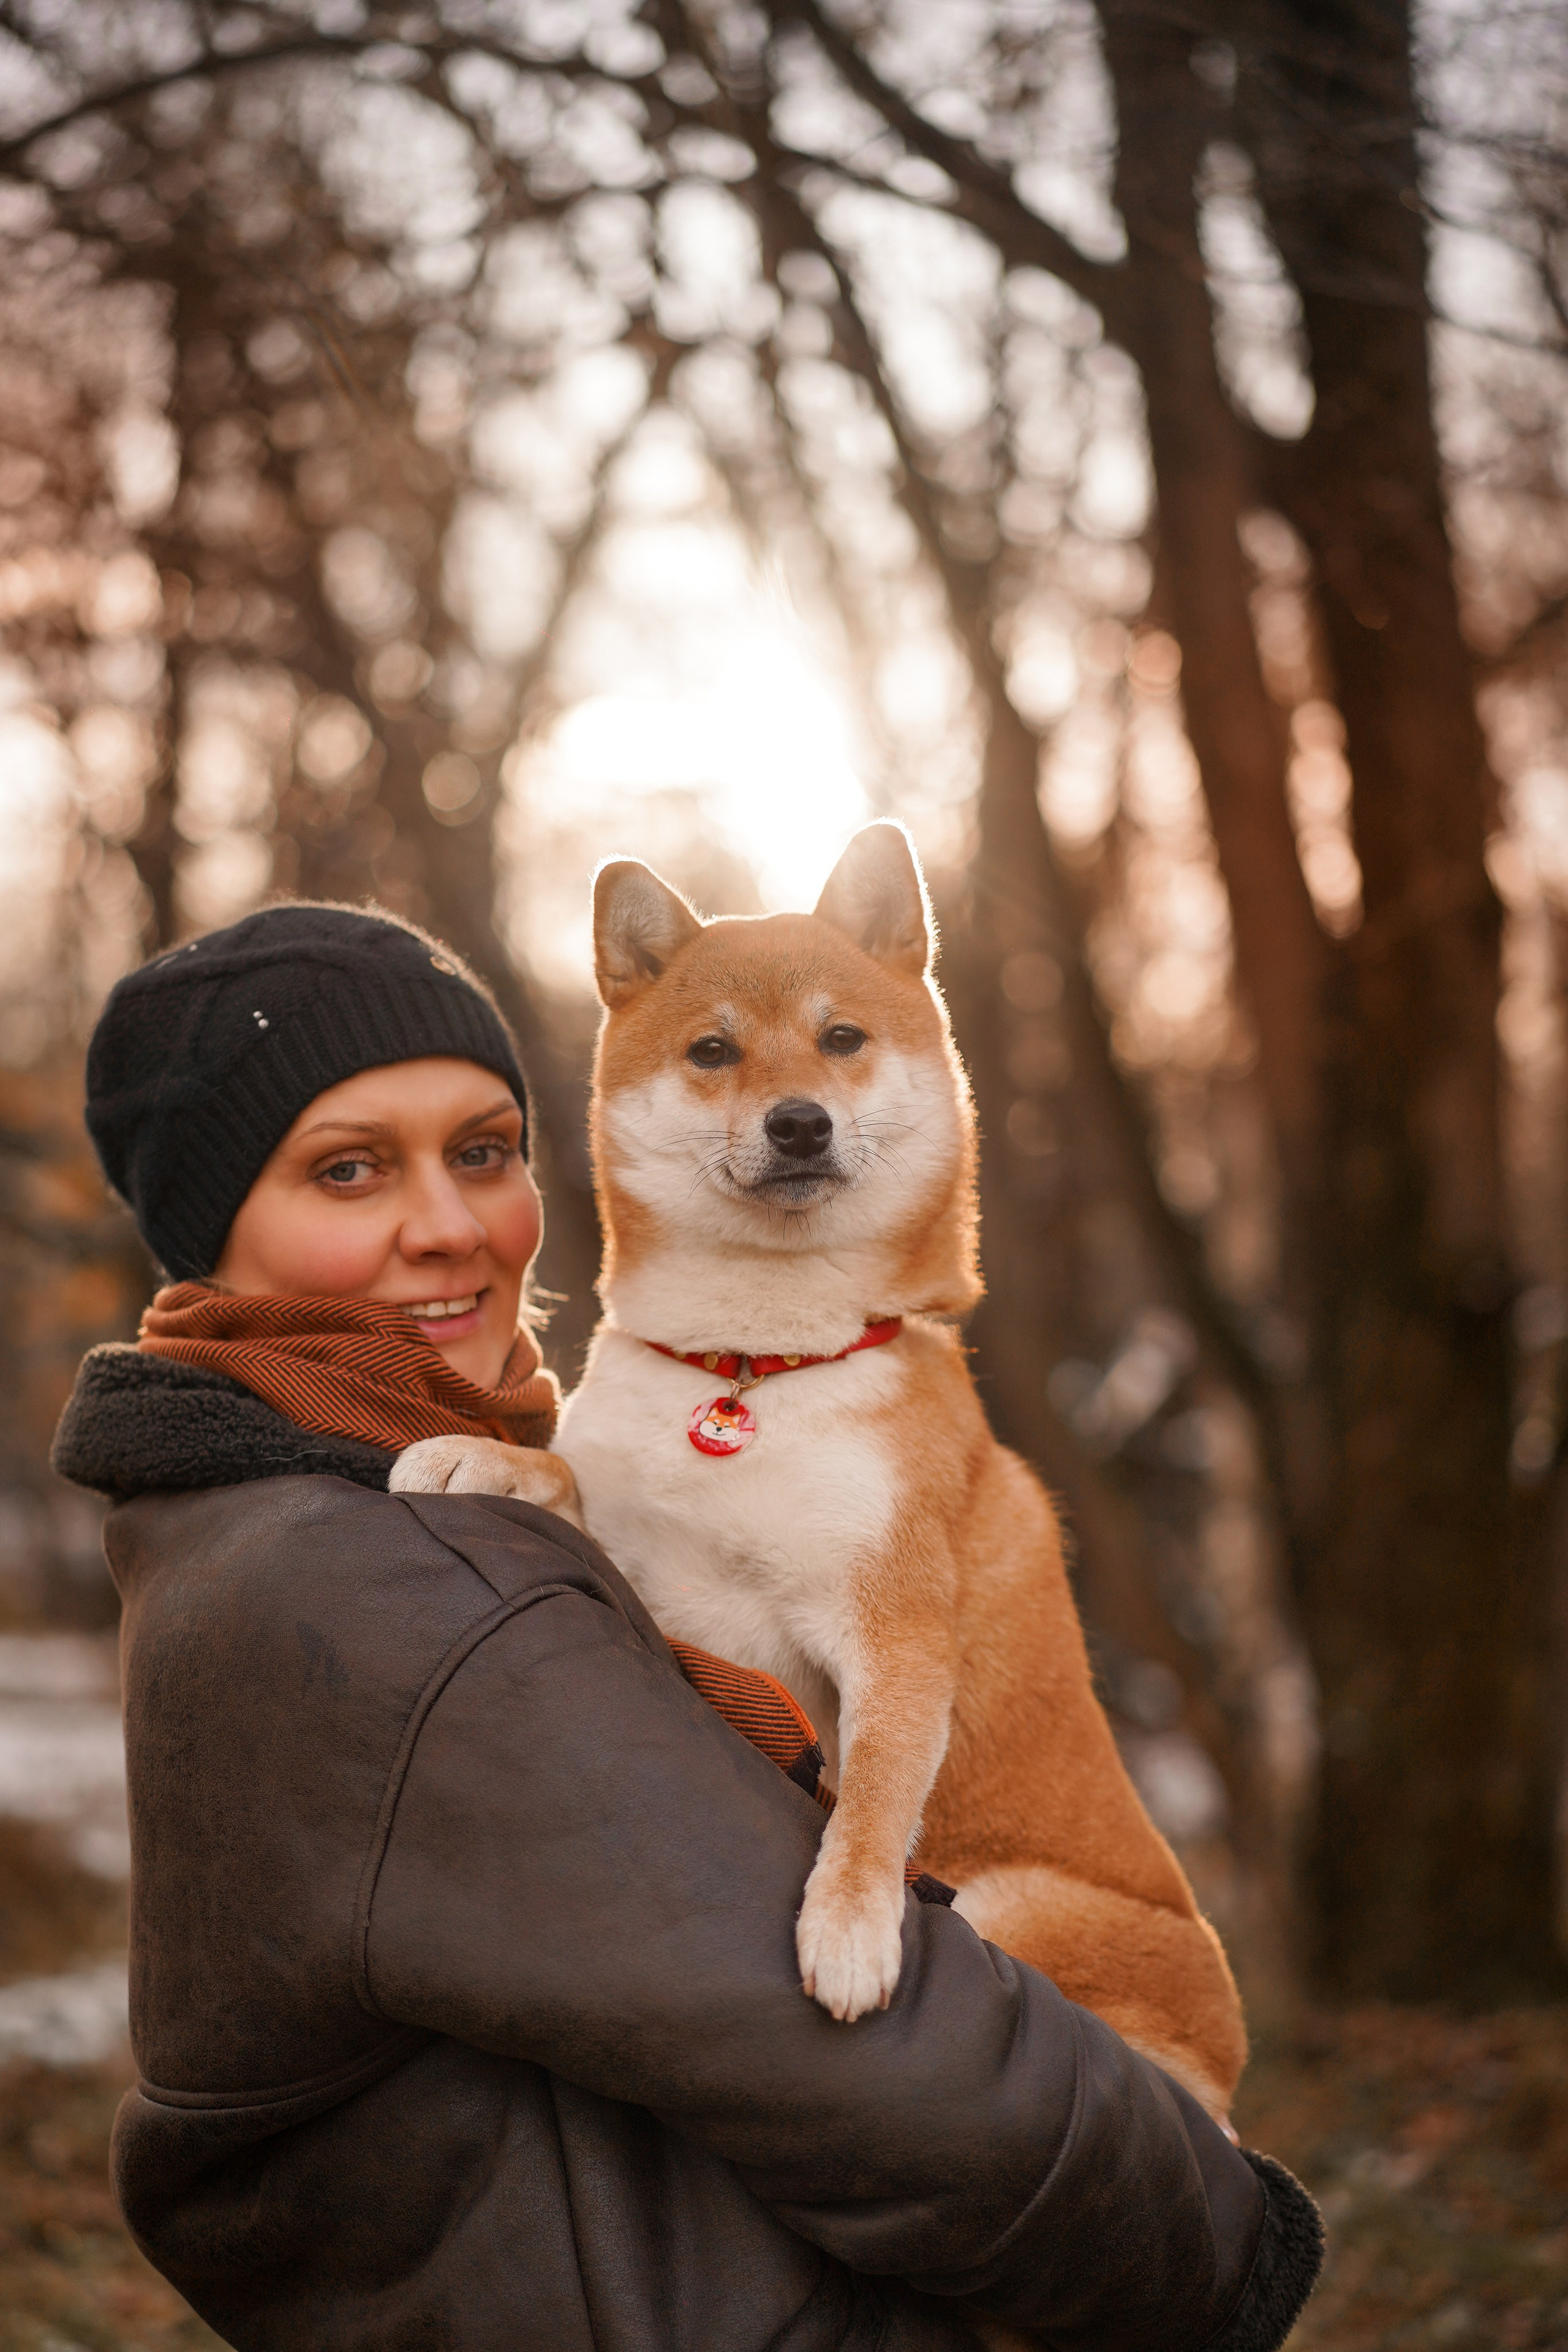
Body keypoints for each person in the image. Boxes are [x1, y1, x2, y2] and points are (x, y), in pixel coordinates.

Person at [53, 901, 1323, 2352]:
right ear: (209, 1230)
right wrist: (1236, 2254)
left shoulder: (252, 1505)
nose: (453, 1227)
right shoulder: (409, 1591)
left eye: (483, 1151)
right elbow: (869, 2058)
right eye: (347, 1172)